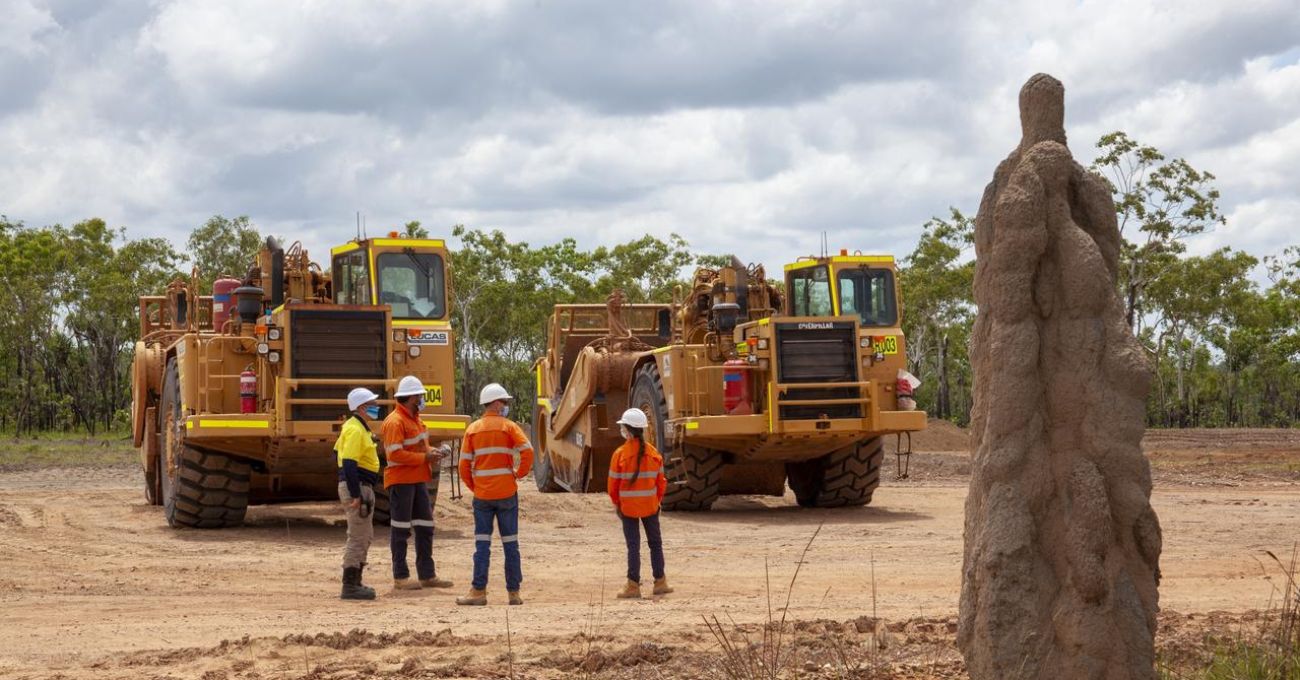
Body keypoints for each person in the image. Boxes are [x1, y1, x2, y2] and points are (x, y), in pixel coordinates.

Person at [455, 383, 534, 606]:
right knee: (511, 544)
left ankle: (478, 592)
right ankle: (514, 593)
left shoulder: (472, 429)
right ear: (497, 403)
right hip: (507, 493)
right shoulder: (509, 427)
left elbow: (463, 466)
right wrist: (519, 473)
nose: (506, 406)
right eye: (505, 402)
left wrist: (476, 487)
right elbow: (528, 451)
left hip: (483, 496)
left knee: (482, 544)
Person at [381, 375, 453, 591]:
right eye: (420, 395)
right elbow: (394, 456)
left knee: (425, 527)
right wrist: (425, 458)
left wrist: (436, 452)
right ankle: (400, 577)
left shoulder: (416, 419)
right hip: (402, 481)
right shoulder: (395, 422)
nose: (423, 398)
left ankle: (427, 575)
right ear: (411, 397)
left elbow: (422, 447)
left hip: (418, 479)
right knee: (401, 529)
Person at [607, 408, 673, 599]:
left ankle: (633, 585)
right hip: (651, 507)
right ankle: (660, 582)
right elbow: (661, 483)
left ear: (627, 430)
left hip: (627, 509)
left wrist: (617, 504)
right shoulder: (654, 454)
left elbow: (613, 485)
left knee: (633, 546)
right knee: (655, 544)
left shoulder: (619, 454)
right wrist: (656, 501)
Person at [335, 387, 382, 600]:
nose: (376, 407)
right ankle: (350, 586)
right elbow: (348, 462)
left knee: (365, 535)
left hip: (362, 486)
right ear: (362, 407)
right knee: (358, 536)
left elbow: (338, 451)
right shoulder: (354, 429)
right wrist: (355, 493)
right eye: (372, 404)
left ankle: (356, 582)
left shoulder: (356, 428)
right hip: (359, 487)